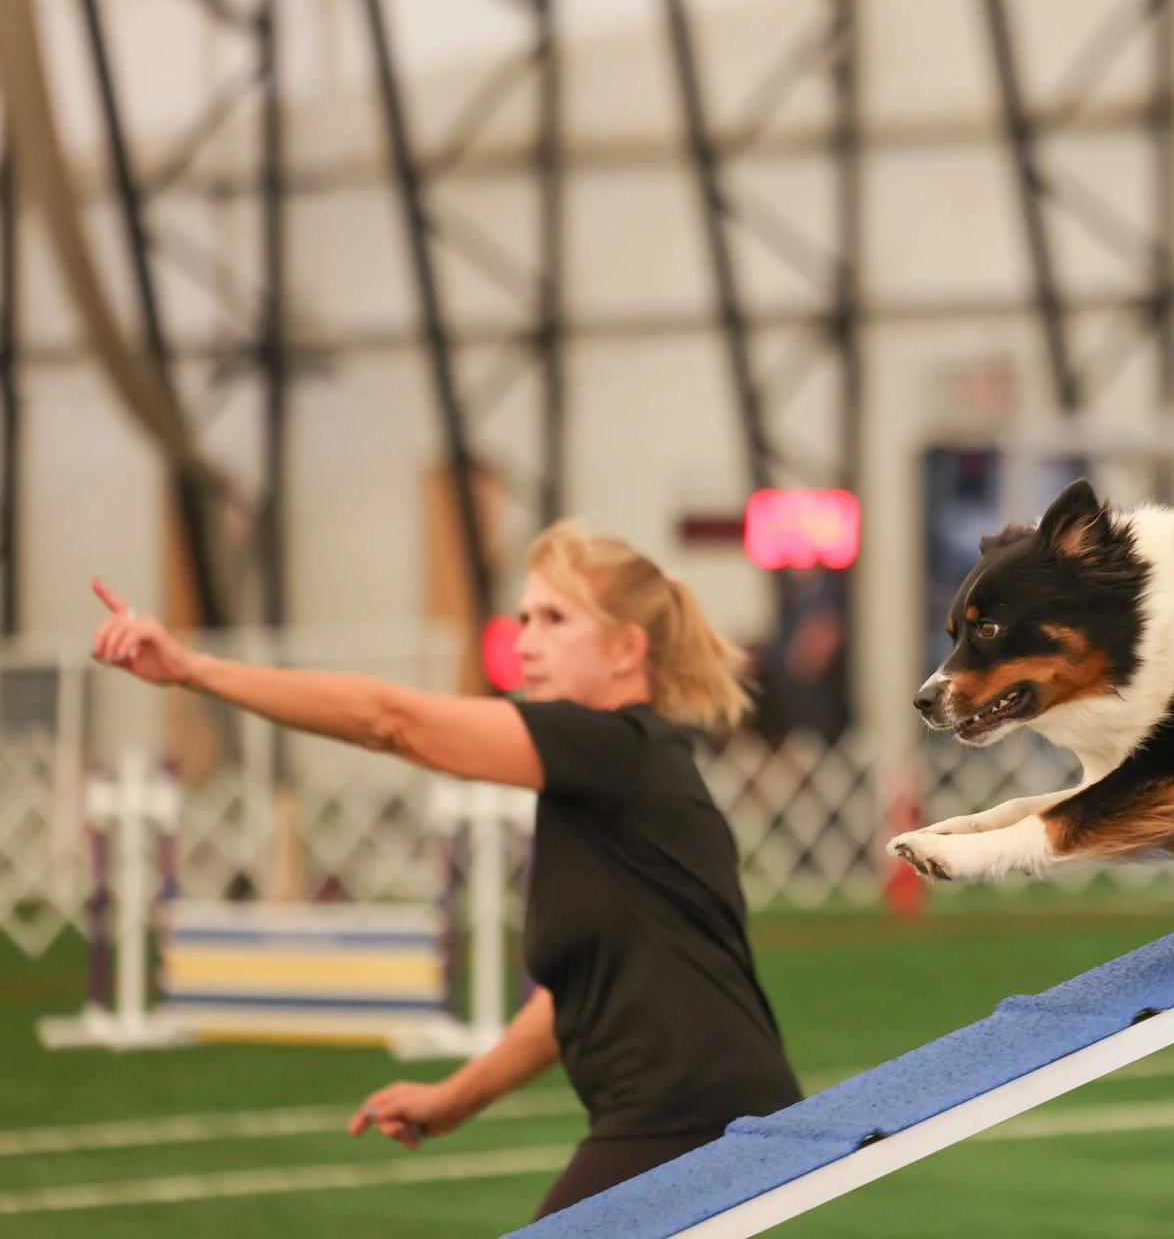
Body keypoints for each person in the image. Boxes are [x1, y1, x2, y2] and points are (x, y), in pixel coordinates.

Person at [86, 522, 804, 1220]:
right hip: (705, 1109)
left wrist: (192, 669)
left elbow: (390, 721)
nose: (524, 645)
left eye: (554, 619)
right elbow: (581, 997)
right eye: (521, 618)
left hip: (693, 1117)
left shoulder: (612, 749)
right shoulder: (607, 779)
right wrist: (456, 1097)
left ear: (626, 651)